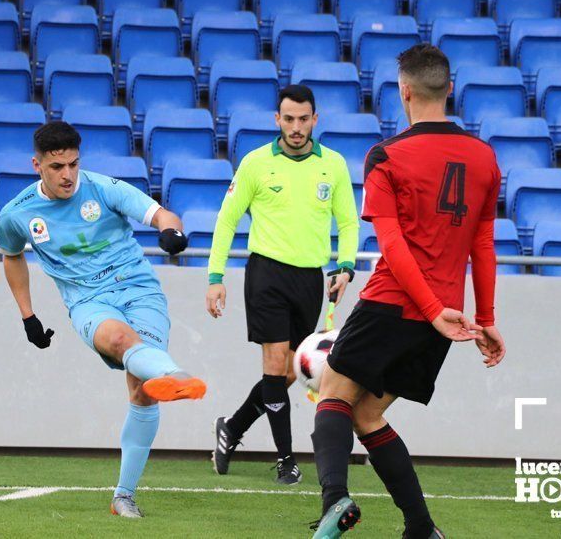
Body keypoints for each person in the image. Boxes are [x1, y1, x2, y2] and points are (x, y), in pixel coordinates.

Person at [310, 44, 507, 539]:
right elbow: (483, 244)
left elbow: (392, 245)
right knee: (369, 413)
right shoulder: (485, 158)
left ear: (404, 91)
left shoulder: (387, 156)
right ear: (449, 89)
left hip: (396, 304)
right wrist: (484, 317)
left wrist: (431, 307)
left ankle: (335, 500)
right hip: (440, 321)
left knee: (331, 394)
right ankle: (421, 528)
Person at [0, 121, 206, 518]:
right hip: (89, 302)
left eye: (74, 164)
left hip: (140, 290)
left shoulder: (103, 188)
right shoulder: (18, 213)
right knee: (122, 342)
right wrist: (29, 316)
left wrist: (171, 233)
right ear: (36, 165)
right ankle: (176, 376)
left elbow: (162, 214)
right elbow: (11, 256)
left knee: (143, 391)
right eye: (57, 167)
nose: (68, 175)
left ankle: (123, 496)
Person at [206, 85, 360, 484]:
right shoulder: (256, 163)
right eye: (288, 119)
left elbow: (347, 222)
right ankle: (286, 460)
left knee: (289, 374)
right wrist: (216, 277)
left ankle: (233, 428)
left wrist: (345, 267)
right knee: (275, 366)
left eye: (303, 119)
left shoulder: (334, 165)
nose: (295, 127)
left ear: (314, 120)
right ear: (277, 120)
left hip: (310, 279)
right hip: (267, 275)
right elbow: (226, 220)